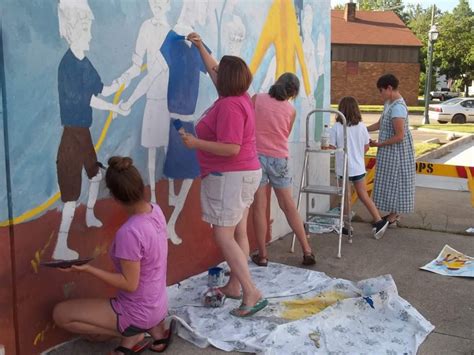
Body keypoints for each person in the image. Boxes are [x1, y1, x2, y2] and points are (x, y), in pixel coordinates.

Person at [180, 32, 268, 317]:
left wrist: (195, 143)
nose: (214, 70)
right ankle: (234, 286)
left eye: (219, 71)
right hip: (243, 174)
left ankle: (251, 292)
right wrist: (199, 46)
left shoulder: (230, 105)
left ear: (227, 79)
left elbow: (231, 148)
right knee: (238, 231)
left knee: (223, 235)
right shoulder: (238, 95)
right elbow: (213, 66)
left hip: (230, 175)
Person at [53, 156, 173, 354]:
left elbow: (129, 283)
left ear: (114, 197)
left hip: (137, 312)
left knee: (61, 315)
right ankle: (143, 330)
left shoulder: (130, 232)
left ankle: (131, 334)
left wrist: (89, 269)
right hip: (158, 305)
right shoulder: (156, 210)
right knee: (95, 336)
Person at [53, 0, 129, 261]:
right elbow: (88, 99)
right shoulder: (68, 66)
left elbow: (99, 89)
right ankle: (61, 244)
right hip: (73, 134)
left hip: (82, 131)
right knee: (71, 193)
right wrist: (113, 109)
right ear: (74, 30)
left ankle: (90, 214)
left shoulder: (83, 62)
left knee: (94, 176)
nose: (91, 34)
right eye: (86, 28)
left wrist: (120, 83)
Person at [250, 73, 316, 266]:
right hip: (280, 158)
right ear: (293, 93)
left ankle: (262, 255)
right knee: (288, 205)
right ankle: (307, 250)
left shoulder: (258, 99)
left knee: (259, 208)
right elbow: (284, 134)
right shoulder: (290, 110)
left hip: (256, 157)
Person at [329, 96, 389, 239]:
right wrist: (357, 154)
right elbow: (366, 146)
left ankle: (346, 226)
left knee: (345, 196)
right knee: (363, 194)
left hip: (343, 167)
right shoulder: (362, 126)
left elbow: (331, 147)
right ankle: (378, 220)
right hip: (358, 167)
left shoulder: (337, 127)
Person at [367, 74, 415, 226]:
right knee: (389, 181)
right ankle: (392, 213)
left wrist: (379, 144)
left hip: (397, 153)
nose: (380, 94)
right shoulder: (389, 103)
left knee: (396, 182)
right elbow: (380, 124)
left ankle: (394, 215)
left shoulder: (398, 108)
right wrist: (362, 129)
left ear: (389, 88)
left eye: (381, 90)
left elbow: (399, 136)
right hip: (389, 151)